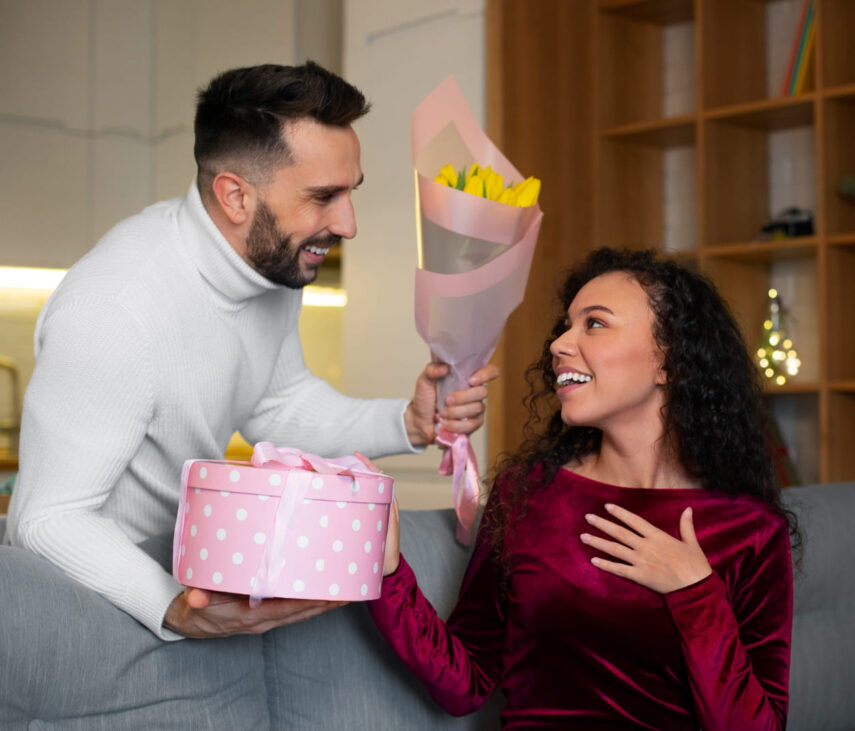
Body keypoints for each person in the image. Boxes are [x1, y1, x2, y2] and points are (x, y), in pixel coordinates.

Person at [5, 61, 496, 641]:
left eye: (350, 192)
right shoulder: (115, 310)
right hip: (98, 606)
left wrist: (407, 422)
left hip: (185, 581)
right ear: (235, 196)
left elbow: (279, 404)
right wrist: (172, 606)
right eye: (324, 196)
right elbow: (48, 520)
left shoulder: (268, 269)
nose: (348, 223)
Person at [364, 248, 798, 729]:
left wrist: (696, 594)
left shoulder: (751, 529)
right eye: (566, 325)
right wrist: (386, 573)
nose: (559, 344)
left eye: (594, 324)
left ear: (669, 361)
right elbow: (464, 684)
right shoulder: (527, 495)